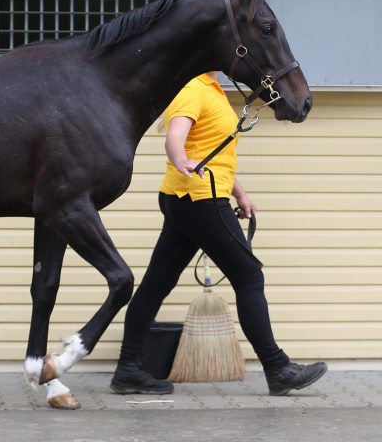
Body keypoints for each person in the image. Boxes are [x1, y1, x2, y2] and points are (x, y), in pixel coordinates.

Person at [110, 72, 327, 396]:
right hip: (199, 198)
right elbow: (175, 137)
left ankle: (128, 369)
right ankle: (278, 368)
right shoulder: (192, 88)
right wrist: (180, 157)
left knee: (156, 284)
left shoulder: (212, 88)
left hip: (190, 197)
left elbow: (215, 149)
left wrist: (239, 192)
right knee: (249, 276)